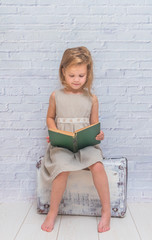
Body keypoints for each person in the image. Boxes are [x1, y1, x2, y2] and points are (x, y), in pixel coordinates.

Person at [40, 46, 111, 233]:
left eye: (81, 75)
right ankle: (53, 211)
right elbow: (49, 117)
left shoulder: (92, 98)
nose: (76, 80)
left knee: (98, 166)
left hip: (85, 145)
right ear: (63, 72)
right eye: (72, 75)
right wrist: (54, 131)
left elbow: (95, 125)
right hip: (62, 145)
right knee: (61, 170)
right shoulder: (56, 96)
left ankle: (106, 210)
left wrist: (99, 135)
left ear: (88, 73)